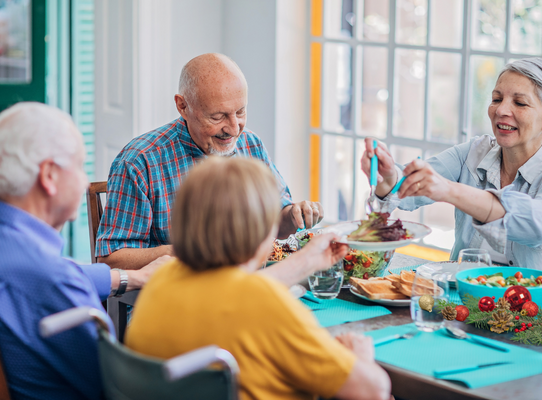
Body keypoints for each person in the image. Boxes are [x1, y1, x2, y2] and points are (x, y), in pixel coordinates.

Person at [125, 156, 391, 400]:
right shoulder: (265, 305)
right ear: (264, 232)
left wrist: (308, 260)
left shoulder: (162, 278)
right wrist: (361, 358)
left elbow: (234, 292)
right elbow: (374, 390)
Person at [362, 58, 542, 295]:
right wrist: (389, 175)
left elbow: (539, 225)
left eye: (520, 103)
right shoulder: (474, 152)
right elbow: (406, 188)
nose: (502, 110)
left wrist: (450, 190)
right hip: (469, 303)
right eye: (496, 99)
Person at [0, 102, 170, 400]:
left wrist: (128, 277)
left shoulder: (22, 259)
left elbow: (49, 279)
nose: (84, 181)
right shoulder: (51, 280)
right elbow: (117, 388)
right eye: (79, 166)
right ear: (49, 176)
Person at [96, 53, 323, 271]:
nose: (234, 129)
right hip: (172, 298)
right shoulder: (139, 161)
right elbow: (111, 260)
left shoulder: (251, 144)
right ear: (183, 106)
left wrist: (295, 216)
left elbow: (277, 224)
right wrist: (193, 253)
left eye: (241, 112)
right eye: (218, 117)